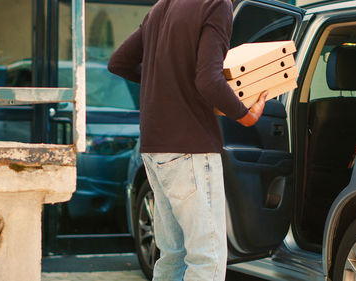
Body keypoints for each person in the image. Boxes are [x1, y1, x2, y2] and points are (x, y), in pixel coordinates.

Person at [107, 0, 267, 280]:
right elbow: (208, 80)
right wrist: (245, 116)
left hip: (154, 149)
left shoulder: (160, 7)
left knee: (172, 257)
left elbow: (118, 62)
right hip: (190, 150)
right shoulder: (217, 5)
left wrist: (168, 83)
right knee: (207, 259)